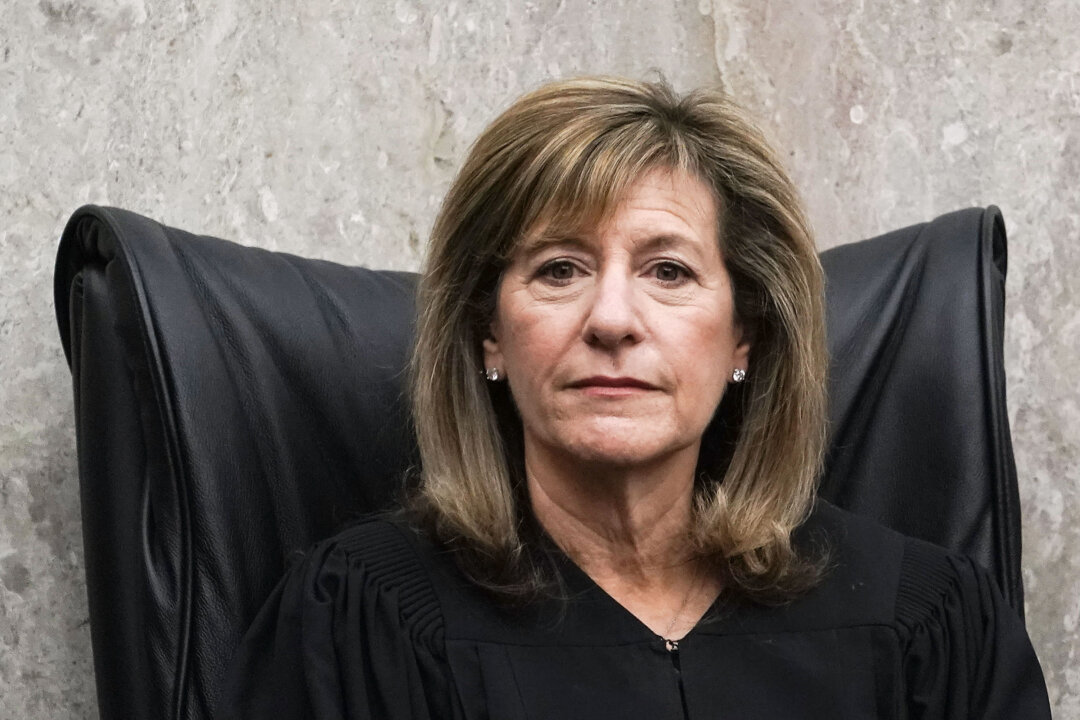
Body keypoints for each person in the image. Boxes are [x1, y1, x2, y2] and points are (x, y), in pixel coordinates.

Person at [215, 77, 1051, 719]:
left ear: (744, 335)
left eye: (669, 270)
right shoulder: (360, 625)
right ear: (489, 333)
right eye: (559, 269)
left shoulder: (929, 625)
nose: (612, 319)